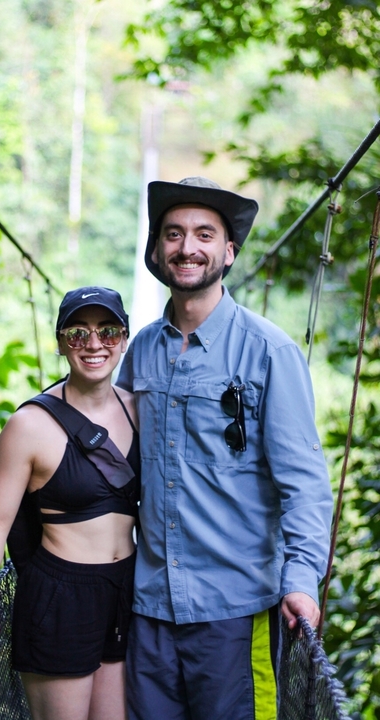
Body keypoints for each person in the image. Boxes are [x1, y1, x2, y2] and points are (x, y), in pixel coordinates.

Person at [117, 176, 333, 720]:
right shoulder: (139, 350)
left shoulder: (269, 352)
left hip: (237, 614)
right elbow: (108, 453)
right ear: (157, 248)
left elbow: (303, 484)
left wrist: (303, 581)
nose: (187, 247)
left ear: (228, 250)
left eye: (204, 234)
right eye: (173, 233)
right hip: (149, 611)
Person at [0, 286, 139, 720]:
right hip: (60, 597)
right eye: (78, 333)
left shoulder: (141, 411)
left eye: (109, 331)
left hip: (127, 591)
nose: (95, 344)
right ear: (61, 342)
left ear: (125, 338)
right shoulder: (29, 425)